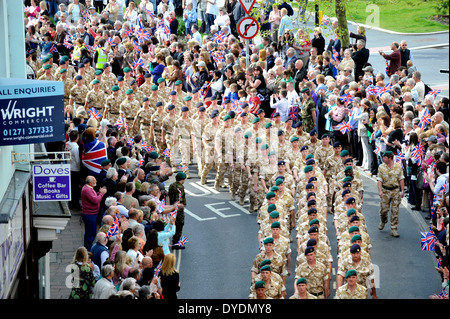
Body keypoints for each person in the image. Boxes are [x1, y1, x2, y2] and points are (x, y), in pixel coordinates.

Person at [377, 151, 405, 237]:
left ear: (389, 158)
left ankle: (394, 229)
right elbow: (379, 180)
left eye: (384, 157)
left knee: (395, 210)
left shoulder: (398, 167)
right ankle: (383, 220)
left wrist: (402, 191)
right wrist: (380, 191)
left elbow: (401, 179)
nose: (383, 158)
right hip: (385, 190)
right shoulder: (381, 167)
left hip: (395, 191)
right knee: (384, 210)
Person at [81, 176, 107, 250]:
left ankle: (88, 247)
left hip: (92, 213)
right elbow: (95, 200)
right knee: (90, 233)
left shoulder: (88, 188)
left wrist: (99, 192)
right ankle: (88, 249)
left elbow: (93, 197)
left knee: (91, 232)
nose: (96, 182)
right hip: (90, 214)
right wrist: (101, 194)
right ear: (90, 182)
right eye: (94, 181)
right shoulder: (87, 190)